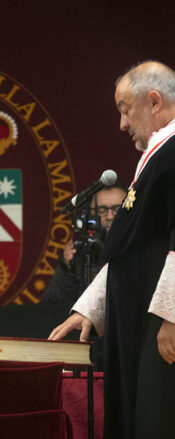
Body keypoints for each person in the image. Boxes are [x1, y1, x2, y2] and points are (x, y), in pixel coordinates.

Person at [49, 61, 175, 438]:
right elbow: (136, 246)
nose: (122, 124)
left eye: (125, 109)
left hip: (161, 325)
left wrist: (172, 317)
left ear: (154, 101)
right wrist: (92, 308)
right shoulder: (158, 154)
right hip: (140, 320)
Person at [43, 183, 127, 304]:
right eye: (102, 210)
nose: (109, 216)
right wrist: (67, 269)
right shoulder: (83, 251)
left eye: (117, 209)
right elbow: (51, 306)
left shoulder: (144, 247)